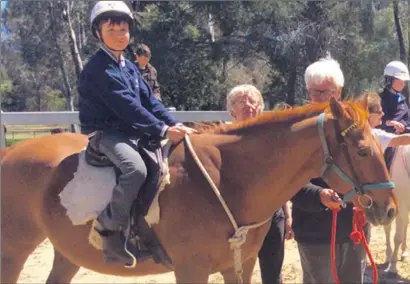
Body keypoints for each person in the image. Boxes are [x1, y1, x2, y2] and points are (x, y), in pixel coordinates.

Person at [78, 1, 196, 264]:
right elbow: (126, 106)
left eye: (124, 30)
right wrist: (163, 129)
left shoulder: (128, 66)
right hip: (107, 133)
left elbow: (149, 101)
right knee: (136, 170)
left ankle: (146, 229)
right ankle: (108, 229)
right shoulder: (98, 69)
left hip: (129, 131)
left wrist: (174, 123)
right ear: (98, 33)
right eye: (112, 30)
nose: (120, 35)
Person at [291, 57, 369, 284]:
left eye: (328, 91)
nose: (321, 98)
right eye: (315, 91)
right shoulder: (297, 130)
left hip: (354, 226)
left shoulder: (355, 126)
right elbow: (289, 182)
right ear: (307, 91)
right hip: (314, 230)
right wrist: (319, 195)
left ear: (340, 91)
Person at [226, 84, 293, 284]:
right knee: (235, 274)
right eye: (240, 101)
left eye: (252, 101)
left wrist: (288, 215)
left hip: (272, 216)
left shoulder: (274, 141)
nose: (247, 105)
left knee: (273, 274)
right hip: (237, 221)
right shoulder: (224, 141)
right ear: (231, 111)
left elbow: (283, 181)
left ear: (260, 108)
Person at [378, 61, 410, 169]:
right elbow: (373, 121)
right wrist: (388, 122)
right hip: (387, 138)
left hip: (402, 134)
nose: (403, 83)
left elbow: (407, 118)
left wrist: (403, 126)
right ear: (390, 80)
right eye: (400, 80)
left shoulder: (403, 100)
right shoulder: (379, 99)